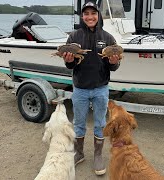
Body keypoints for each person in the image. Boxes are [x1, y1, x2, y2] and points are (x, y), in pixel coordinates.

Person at [62, 1, 121, 176]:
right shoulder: (74, 37)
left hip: (101, 88)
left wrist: (114, 62)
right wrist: (69, 59)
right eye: (86, 13)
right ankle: (79, 153)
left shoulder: (108, 38)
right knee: (79, 124)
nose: (90, 17)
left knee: (100, 123)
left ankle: (98, 155)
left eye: (93, 13)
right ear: (82, 17)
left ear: (98, 15)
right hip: (80, 88)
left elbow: (114, 67)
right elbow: (69, 66)